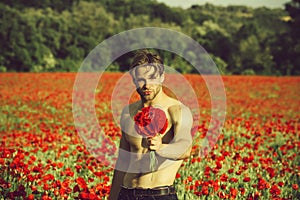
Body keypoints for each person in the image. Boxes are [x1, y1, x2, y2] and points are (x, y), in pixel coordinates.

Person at [109, 50, 193, 200]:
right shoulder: (128, 113)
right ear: (134, 80)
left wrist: (161, 147)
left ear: (162, 77)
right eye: (141, 79)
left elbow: (185, 148)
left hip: (159, 195)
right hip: (126, 194)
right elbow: (122, 161)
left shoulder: (177, 110)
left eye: (152, 78)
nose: (147, 85)